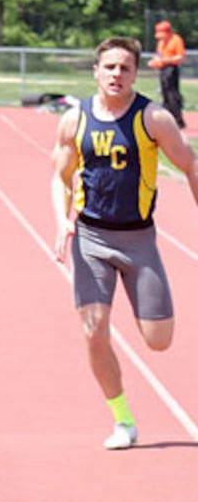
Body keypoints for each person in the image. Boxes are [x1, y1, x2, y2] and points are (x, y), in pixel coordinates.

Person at [51, 36, 198, 451]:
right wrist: (62, 219)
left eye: (125, 68)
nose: (116, 74)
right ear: (96, 71)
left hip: (139, 240)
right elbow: (58, 175)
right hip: (92, 238)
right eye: (109, 67)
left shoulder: (154, 118)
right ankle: (123, 421)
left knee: (159, 340)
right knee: (94, 331)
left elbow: (189, 166)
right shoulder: (73, 120)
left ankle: (146, 312)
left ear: (136, 73)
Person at [147, 20, 186, 129]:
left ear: (168, 32)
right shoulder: (161, 42)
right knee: (164, 93)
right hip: (163, 68)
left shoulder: (176, 40)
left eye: (163, 34)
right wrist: (154, 61)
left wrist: (165, 60)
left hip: (172, 68)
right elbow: (159, 56)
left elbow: (180, 57)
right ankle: (166, 117)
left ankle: (178, 120)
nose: (161, 37)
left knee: (172, 94)